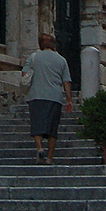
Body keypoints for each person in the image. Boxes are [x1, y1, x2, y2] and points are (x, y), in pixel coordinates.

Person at [22, 32, 73, 164]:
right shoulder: (62, 60)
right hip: (54, 97)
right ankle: (49, 158)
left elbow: (24, 73)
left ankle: (39, 148)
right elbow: (67, 81)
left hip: (36, 95)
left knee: (37, 125)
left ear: (40, 44)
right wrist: (69, 100)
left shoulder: (34, 57)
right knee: (52, 129)